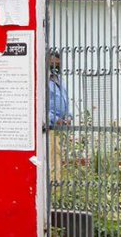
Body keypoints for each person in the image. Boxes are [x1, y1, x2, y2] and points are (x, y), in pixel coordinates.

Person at [47, 51, 71, 184]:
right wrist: (56, 120)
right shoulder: (45, 81)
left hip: (61, 126)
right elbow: (42, 107)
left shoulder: (59, 80)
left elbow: (66, 101)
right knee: (53, 154)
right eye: (52, 62)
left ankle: (57, 182)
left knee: (58, 155)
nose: (55, 65)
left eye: (58, 63)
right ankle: (52, 184)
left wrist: (68, 117)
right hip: (51, 125)